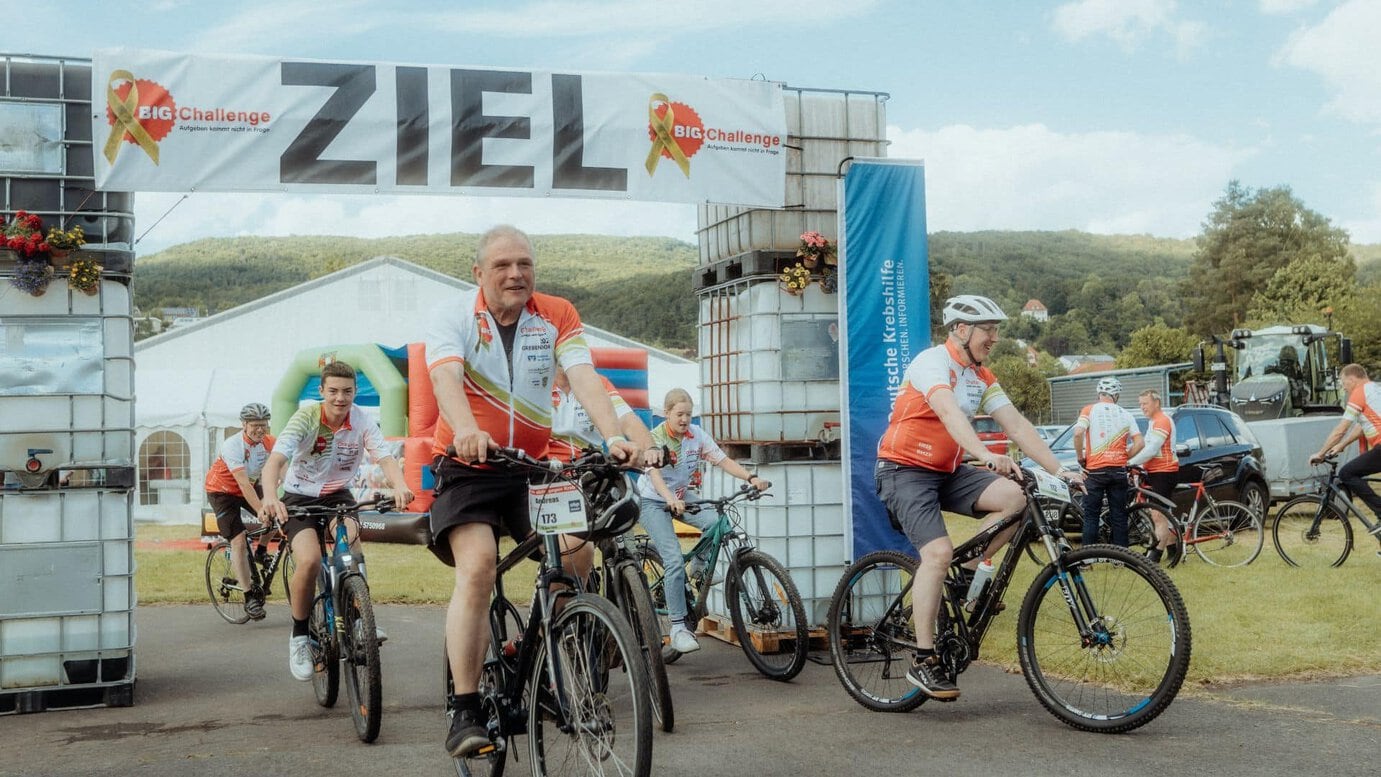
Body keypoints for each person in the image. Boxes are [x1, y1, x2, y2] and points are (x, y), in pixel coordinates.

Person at [425, 225, 641, 759]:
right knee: (479, 567)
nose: (515, 274)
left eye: (524, 263)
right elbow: (446, 379)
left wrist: (613, 436)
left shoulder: (557, 313)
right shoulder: (453, 314)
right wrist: (466, 429)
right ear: (479, 272)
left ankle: (546, 652)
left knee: (577, 552)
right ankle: (466, 709)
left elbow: (583, 376)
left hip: (531, 468)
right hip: (468, 466)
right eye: (502, 265)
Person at [874, 294, 1080, 701]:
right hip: (903, 470)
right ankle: (924, 658)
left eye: (996, 331)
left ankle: (966, 575)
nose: (994, 338)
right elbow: (948, 413)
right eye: (988, 330)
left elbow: (1017, 425)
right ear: (961, 330)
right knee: (937, 553)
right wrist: (985, 453)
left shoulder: (980, 376)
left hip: (947, 472)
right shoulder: (932, 362)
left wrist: (1061, 471)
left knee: (1017, 498)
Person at [259, 360, 414, 682]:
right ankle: (300, 637)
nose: (340, 398)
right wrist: (270, 496)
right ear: (322, 391)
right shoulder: (306, 418)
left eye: (347, 391)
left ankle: (358, 621)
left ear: (355, 392)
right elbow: (275, 461)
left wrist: (400, 485)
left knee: (352, 548)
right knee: (310, 561)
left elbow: (384, 457)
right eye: (333, 391)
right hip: (300, 497)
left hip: (337, 495)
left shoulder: (362, 420)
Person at [637, 388, 768, 655]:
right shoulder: (655, 439)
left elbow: (723, 460)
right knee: (673, 560)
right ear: (667, 413)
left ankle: (698, 567)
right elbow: (655, 476)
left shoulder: (696, 435)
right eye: (679, 414)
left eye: (688, 414)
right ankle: (677, 628)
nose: (685, 419)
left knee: (718, 522)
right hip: (653, 500)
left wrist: (751, 477)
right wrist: (669, 499)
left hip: (681, 496)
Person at [205, 403, 277, 620]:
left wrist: (274, 500)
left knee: (277, 513)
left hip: (249, 486)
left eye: (263, 425)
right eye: (255, 425)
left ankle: (261, 551)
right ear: (244, 424)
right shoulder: (232, 445)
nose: (260, 429)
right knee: (238, 540)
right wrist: (260, 510)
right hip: (222, 492)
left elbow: (282, 467)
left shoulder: (269, 442)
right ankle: (249, 598)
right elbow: (243, 484)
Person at [1073, 377, 1144, 548]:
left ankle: (1088, 557)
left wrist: (1080, 457)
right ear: (1116, 395)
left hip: (1095, 470)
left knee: (1091, 515)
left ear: (1099, 393)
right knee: (1119, 515)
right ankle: (1121, 558)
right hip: (1118, 470)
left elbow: (1078, 433)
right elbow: (1140, 443)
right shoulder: (1126, 414)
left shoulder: (1089, 410)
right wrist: (1124, 457)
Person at [1311, 364, 1381, 522]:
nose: (1344, 388)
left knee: (1346, 473)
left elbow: (1340, 430)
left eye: (1343, 383)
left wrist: (1321, 453)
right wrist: (1341, 445)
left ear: (1352, 379)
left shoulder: (1359, 393)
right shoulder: (1375, 389)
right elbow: (1361, 427)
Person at [1126, 389, 1178, 562]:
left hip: (1164, 472)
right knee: (1162, 514)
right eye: (1140, 404)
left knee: (1158, 514)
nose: (1142, 407)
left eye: (1145, 403)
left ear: (1156, 403)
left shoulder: (1162, 420)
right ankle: (1173, 550)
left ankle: (1155, 556)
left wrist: (1130, 463)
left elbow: (1152, 449)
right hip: (1157, 472)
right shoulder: (1153, 421)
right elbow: (1145, 448)